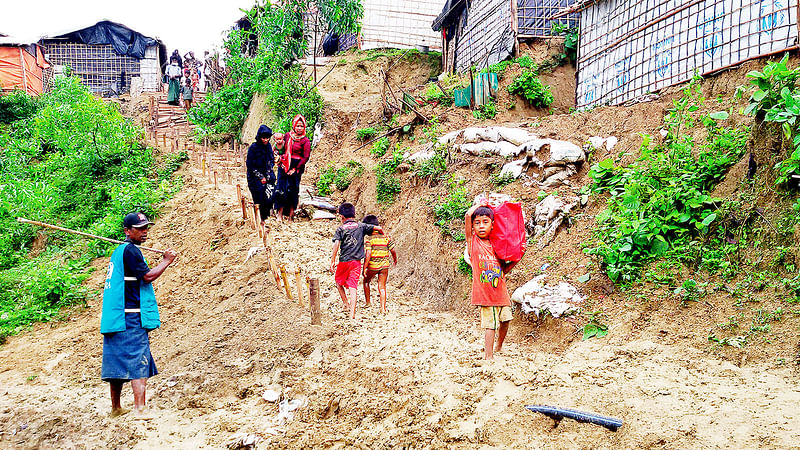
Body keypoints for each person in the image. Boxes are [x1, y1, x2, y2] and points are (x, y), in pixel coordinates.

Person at [100, 212, 177, 416]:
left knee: (116, 361)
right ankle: (139, 408)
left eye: (145, 227)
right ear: (127, 231)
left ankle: (116, 408)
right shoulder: (131, 251)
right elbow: (147, 276)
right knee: (137, 359)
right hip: (130, 317)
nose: (144, 232)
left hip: (115, 317)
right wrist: (167, 261)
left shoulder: (119, 251)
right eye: (139, 228)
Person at [465, 204, 518, 360]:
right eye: (477, 223)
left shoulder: (498, 246)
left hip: (501, 292)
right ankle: (488, 357)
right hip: (485, 294)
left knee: (506, 320)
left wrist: (516, 259)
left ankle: (499, 346)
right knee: (491, 325)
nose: (481, 226)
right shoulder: (473, 243)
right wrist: (482, 204)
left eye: (485, 222)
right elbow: (468, 215)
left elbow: (503, 270)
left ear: (493, 224)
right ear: (473, 226)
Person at [329, 203, 383, 319]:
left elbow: (336, 244)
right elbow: (378, 228)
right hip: (356, 263)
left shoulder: (340, 229)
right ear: (354, 214)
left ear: (342, 216)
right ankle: (352, 314)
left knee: (339, 283)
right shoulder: (361, 226)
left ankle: (346, 304)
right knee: (353, 287)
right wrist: (382, 234)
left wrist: (333, 260)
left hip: (344, 261)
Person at [274, 114, 311, 222]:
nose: (299, 128)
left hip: (296, 168)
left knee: (292, 191)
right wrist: (278, 158)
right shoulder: (287, 136)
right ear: (294, 126)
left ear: (304, 128)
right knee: (280, 189)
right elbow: (280, 147)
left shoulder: (305, 141)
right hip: (284, 165)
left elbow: (305, 157)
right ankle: (279, 214)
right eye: (297, 126)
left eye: (302, 126)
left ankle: (291, 216)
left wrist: (295, 169)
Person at [362, 215, 397, 314]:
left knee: (366, 281)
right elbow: (393, 250)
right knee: (382, 287)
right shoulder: (386, 238)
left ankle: (368, 302)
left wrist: (365, 267)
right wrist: (394, 260)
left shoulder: (369, 239)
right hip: (384, 266)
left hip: (373, 265)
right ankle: (383, 308)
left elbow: (368, 254)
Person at [246, 125, 276, 223]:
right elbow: (250, 165)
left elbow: (271, 161)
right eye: (263, 138)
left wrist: (267, 174)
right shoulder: (253, 148)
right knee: (258, 196)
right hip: (254, 176)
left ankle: (267, 216)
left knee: (270, 194)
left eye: (267, 138)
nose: (266, 140)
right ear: (259, 137)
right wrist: (260, 176)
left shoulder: (268, 147)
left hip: (267, 174)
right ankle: (259, 218)